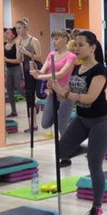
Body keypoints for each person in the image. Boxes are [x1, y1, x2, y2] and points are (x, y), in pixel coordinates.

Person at [47, 30, 107, 215]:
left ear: (92, 48)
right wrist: (56, 88)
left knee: (94, 164)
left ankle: (97, 207)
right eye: (75, 45)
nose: (76, 48)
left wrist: (66, 94)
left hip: (101, 120)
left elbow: (90, 98)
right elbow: (66, 93)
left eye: (81, 45)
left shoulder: (99, 70)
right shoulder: (77, 68)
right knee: (62, 151)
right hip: (82, 118)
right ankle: (89, 149)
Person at [31, 30, 78, 166]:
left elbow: (60, 74)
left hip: (65, 93)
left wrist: (40, 77)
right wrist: (36, 71)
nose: (54, 41)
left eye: (57, 39)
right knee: (45, 123)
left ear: (65, 39)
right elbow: (42, 71)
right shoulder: (51, 55)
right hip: (53, 92)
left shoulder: (71, 57)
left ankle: (66, 156)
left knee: (62, 127)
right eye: (53, 39)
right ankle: (65, 120)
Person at [15, 17, 44, 133]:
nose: (17, 31)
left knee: (39, 94)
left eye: (19, 28)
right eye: (16, 28)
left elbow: (39, 57)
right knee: (29, 96)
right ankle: (33, 124)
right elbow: (18, 59)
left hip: (36, 69)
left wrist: (26, 52)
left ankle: (37, 107)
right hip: (26, 70)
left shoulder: (33, 40)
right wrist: (19, 51)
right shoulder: (18, 42)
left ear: (25, 28)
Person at [3, 28, 22, 118]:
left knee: (19, 88)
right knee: (9, 90)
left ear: (13, 35)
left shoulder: (17, 43)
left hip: (16, 69)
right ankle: (14, 111)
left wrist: (6, 60)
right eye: (5, 33)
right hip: (9, 70)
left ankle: (32, 104)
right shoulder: (5, 45)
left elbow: (18, 60)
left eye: (7, 33)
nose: (5, 35)